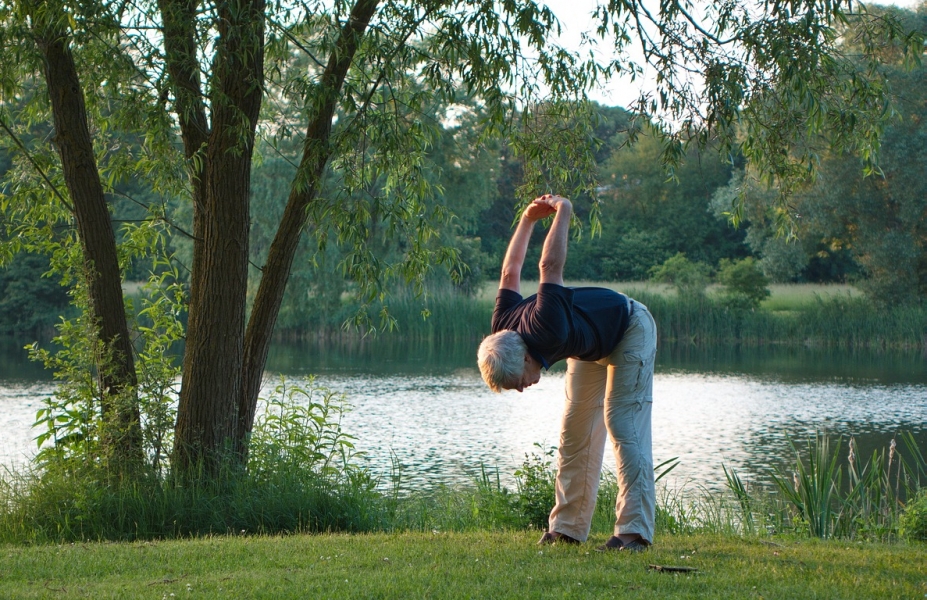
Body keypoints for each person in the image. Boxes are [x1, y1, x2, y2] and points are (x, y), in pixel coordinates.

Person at [477, 194, 657, 552]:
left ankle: (634, 533)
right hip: (589, 345)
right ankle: (567, 528)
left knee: (621, 423)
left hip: (629, 327)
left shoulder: (547, 327)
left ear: (526, 359)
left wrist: (564, 212)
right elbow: (509, 272)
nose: (523, 390)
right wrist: (527, 219)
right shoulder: (502, 327)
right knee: (574, 432)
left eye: (518, 384)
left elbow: (549, 266)